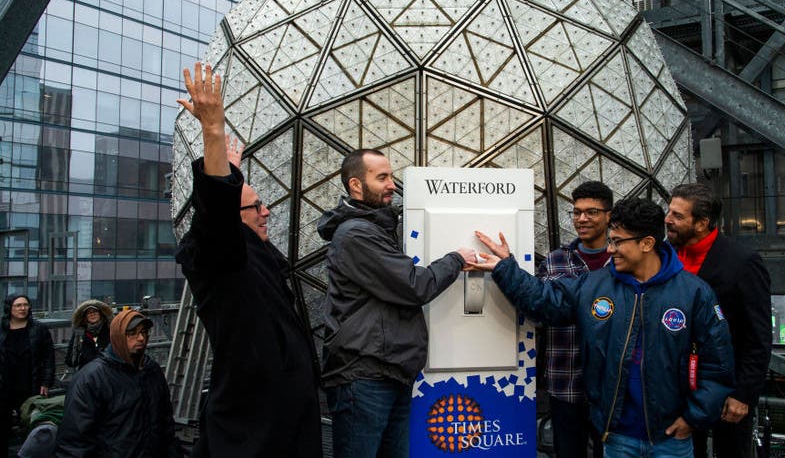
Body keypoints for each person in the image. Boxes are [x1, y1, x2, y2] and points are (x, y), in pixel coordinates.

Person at [472, 198, 735, 458]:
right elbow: (545, 301)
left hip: (671, 439)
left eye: (618, 242)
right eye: (611, 240)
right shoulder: (595, 286)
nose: (610, 250)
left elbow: (718, 364)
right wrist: (504, 268)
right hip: (617, 436)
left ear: (647, 243)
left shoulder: (693, 293)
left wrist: (693, 417)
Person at [175, 62, 323, 458]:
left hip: (290, 421)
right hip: (255, 434)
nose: (267, 211)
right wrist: (212, 132)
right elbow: (216, 218)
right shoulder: (218, 257)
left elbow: (226, 211)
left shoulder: (255, 255)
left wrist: (233, 170)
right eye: (256, 206)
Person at [317, 149, 478, 458]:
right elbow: (414, 285)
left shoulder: (372, 229)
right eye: (382, 177)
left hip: (386, 371)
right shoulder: (356, 235)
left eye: (391, 175)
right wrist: (457, 259)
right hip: (363, 376)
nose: (392, 184)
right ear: (355, 185)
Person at [665, 184, 772, 458]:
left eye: (677, 215)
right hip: (678, 389)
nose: (668, 219)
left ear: (701, 223)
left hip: (726, 391)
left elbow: (758, 336)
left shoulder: (742, 262)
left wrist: (743, 395)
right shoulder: (666, 255)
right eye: (669, 211)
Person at [538, 181, 613, 458]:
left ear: (609, 215)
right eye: (577, 212)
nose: (582, 219)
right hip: (565, 381)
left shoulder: (622, 261)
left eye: (591, 212)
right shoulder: (556, 260)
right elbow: (540, 309)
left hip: (610, 388)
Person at [55, 310, 181, 457]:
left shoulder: (152, 371)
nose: (141, 338)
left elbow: (166, 424)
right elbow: (74, 443)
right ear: (118, 336)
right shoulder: (91, 378)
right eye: (132, 333)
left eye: (144, 332)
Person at [0, 295, 54, 452]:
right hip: (5, 384)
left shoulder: (39, 329)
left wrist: (46, 382)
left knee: (31, 422)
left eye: (25, 305)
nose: (22, 308)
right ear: (9, 308)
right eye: (18, 305)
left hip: (31, 382)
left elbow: (48, 358)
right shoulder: (2, 329)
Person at [64, 300, 113, 371]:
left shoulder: (110, 330)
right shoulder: (79, 333)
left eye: (95, 311)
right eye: (89, 313)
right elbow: (70, 361)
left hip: (107, 371)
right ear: (85, 317)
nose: (92, 314)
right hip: (87, 372)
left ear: (101, 314)